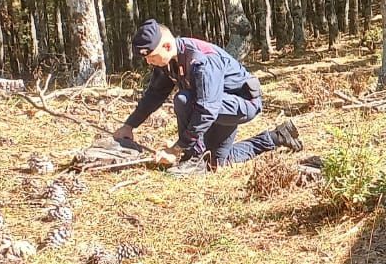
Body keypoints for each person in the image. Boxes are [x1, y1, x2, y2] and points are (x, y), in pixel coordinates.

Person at [114, 20, 302, 175]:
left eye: (152, 57)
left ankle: (193, 159)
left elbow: (206, 109)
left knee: (183, 100)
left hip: (241, 104)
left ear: (167, 45)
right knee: (216, 162)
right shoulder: (168, 61)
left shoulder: (200, 61)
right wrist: (129, 125)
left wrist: (178, 149)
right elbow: (155, 94)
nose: (148, 62)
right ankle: (276, 137)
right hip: (217, 106)